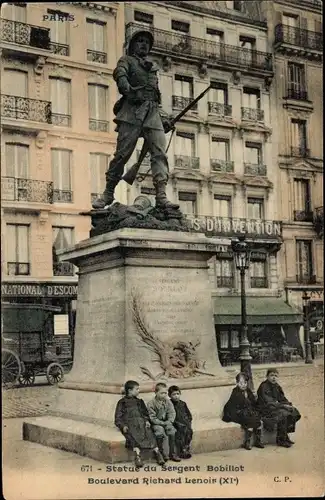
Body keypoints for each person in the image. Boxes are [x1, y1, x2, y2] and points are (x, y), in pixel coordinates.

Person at [92, 28, 179, 211]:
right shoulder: (127, 61)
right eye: (139, 41)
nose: (143, 44)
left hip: (152, 114)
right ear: (132, 45)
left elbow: (155, 97)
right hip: (131, 113)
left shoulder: (153, 69)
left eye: (146, 42)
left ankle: (161, 196)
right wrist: (128, 89)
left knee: (159, 155)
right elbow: (120, 75)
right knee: (122, 155)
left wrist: (164, 118)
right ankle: (108, 193)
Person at [114, 380, 165, 467]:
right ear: (130, 390)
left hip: (142, 423)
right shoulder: (122, 402)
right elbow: (118, 417)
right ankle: (137, 456)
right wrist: (122, 426)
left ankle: (157, 453)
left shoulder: (140, 402)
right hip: (130, 424)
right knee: (133, 436)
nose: (139, 391)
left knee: (149, 433)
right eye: (137, 389)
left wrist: (147, 421)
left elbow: (145, 414)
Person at [257, 368, 301, 448]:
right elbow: (268, 402)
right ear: (267, 377)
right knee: (283, 414)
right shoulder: (263, 386)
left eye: (276, 376)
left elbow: (282, 399)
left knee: (294, 412)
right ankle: (280, 440)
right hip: (265, 410)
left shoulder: (277, 386)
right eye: (271, 375)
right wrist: (283, 406)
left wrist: (289, 405)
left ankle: (285, 436)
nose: (274, 377)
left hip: (274, 408)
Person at [222, 372, 265, 450]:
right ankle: (247, 442)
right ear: (237, 383)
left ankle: (258, 441)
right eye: (241, 383)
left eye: (245, 383)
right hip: (236, 412)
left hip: (247, 412)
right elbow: (235, 405)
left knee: (258, 421)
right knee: (251, 422)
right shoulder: (235, 391)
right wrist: (245, 400)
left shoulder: (248, 391)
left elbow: (253, 403)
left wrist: (255, 401)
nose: (243, 385)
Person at [147, 382, 181, 462]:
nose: (164, 395)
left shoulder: (168, 402)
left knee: (172, 431)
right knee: (159, 431)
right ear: (156, 392)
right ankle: (161, 453)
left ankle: (172, 453)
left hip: (166, 422)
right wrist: (162, 423)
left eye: (165, 393)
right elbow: (152, 417)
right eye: (162, 393)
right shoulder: (151, 403)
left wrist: (170, 421)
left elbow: (172, 412)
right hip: (156, 424)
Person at [168, 385, 193, 458]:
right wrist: (175, 423)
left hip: (185, 422)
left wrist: (189, 421)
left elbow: (188, 414)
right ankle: (182, 450)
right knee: (180, 434)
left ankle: (186, 447)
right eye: (174, 394)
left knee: (189, 432)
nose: (176, 396)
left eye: (177, 394)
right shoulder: (169, 404)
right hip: (176, 423)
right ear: (170, 395)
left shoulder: (183, 403)